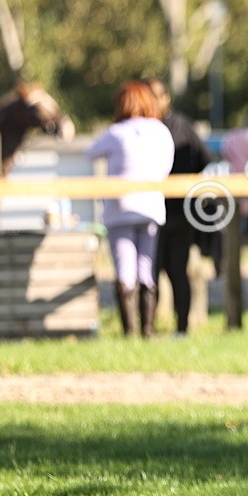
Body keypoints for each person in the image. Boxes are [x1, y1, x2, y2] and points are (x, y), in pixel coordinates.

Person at [85, 81, 174, 337]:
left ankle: (130, 331)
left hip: (120, 206)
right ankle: (148, 329)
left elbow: (90, 152)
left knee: (125, 269)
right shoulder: (160, 131)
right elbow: (166, 166)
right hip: (151, 206)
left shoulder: (117, 132)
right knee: (146, 266)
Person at [144, 77, 212, 335]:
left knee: (177, 272)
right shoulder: (146, 127)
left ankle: (181, 329)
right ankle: (148, 328)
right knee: (151, 272)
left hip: (178, 212)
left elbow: (203, 158)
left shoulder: (181, 126)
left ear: (165, 98)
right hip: (152, 211)